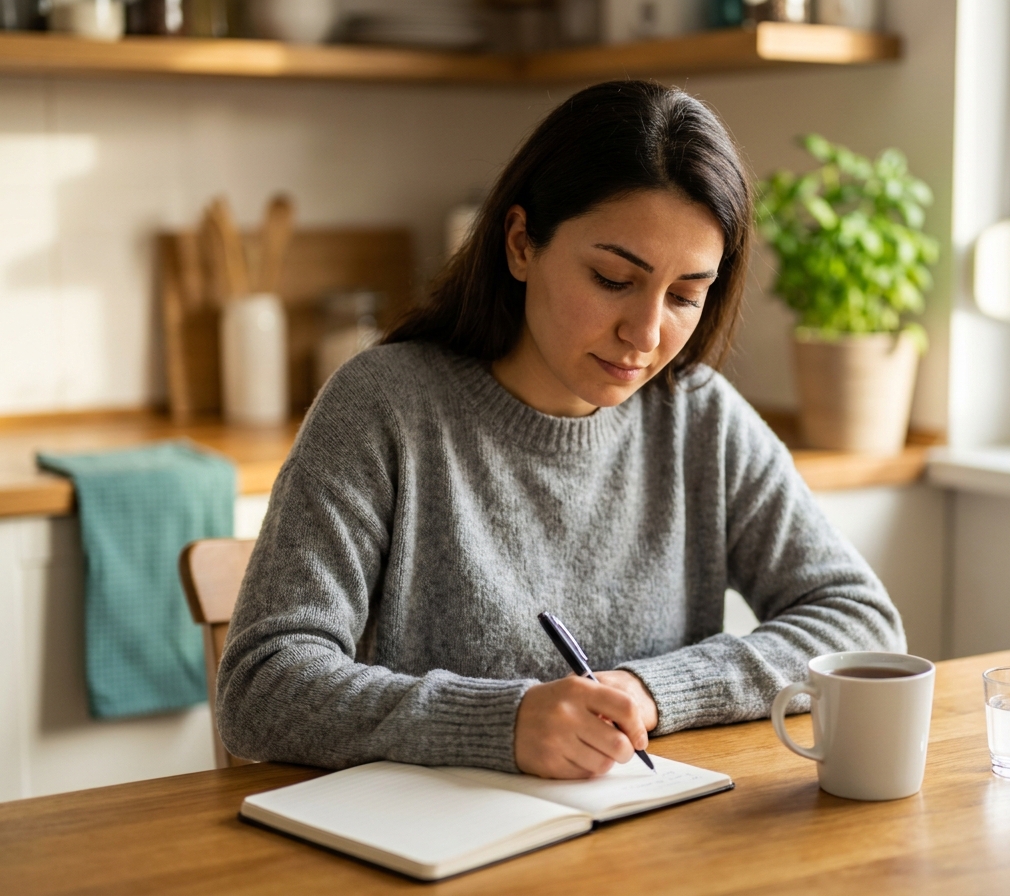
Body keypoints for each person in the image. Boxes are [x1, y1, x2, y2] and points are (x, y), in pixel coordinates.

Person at [216, 80, 905, 780]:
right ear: (520, 243)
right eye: (612, 279)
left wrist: (650, 691)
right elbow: (261, 687)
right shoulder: (383, 406)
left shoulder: (698, 414)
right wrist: (501, 720)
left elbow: (860, 621)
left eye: (686, 295)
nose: (645, 333)